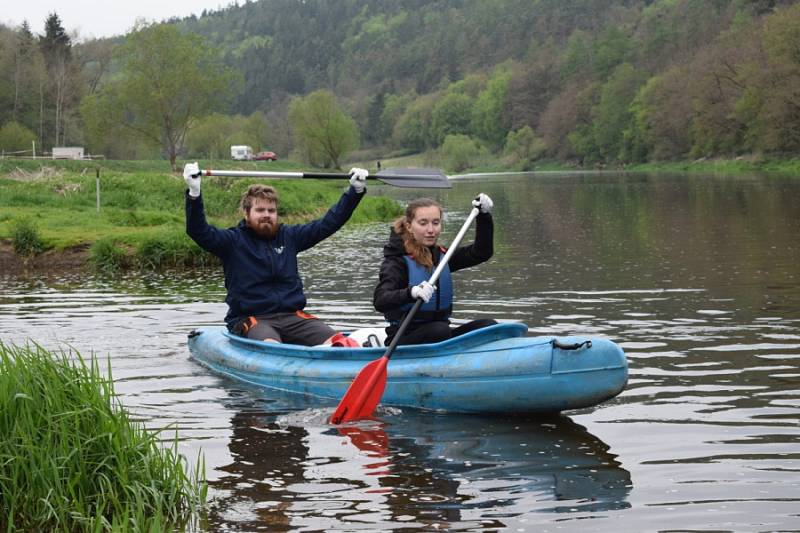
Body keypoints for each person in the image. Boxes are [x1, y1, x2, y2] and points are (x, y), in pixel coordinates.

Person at [183, 161, 368, 345]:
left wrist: (355, 193)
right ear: (247, 214)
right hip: (253, 319)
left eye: (271, 210)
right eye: (260, 210)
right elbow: (198, 231)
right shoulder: (232, 241)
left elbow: (328, 223)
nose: (267, 214)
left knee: (340, 342)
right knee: (271, 344)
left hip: (294, 317)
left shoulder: (290, 237)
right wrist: (194, 195)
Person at [373, 194, 496, 346]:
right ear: (410, 226)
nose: (431, 230)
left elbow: (481, 253)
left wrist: (484, 217)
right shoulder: (397, 261)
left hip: (440, 335)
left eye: (435, 223)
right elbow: (380, 300)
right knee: (439, 331)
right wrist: (411, 292)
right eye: (423, 223)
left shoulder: (442, 256)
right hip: (403, 340)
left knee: (489, 326)